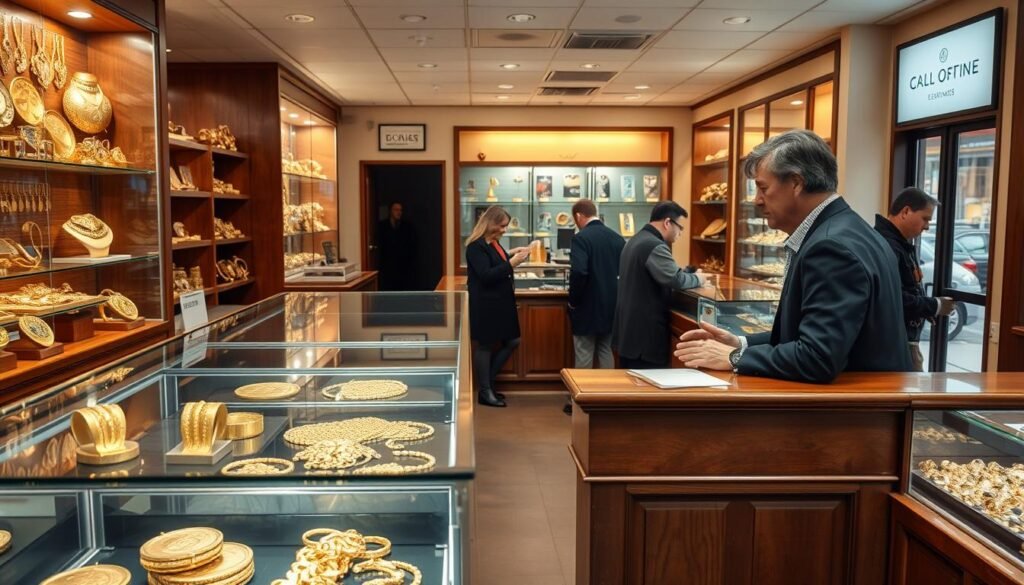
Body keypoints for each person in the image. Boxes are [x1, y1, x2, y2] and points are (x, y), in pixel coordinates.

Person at [675, 129, 912, 382]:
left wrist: (734, 357)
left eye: (763, 188)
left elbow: (817, 357)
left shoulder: (831, 247)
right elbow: (811, 336)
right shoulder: (848, 230)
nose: (757, 200)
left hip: (851, 414)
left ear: (797, 183)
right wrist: (740, 343)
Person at [612, 201, 707, 370]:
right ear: (667, 223)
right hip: (644, 338)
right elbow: (676, 279)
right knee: (646, 390)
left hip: (630, 334)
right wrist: (699, 278)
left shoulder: (636, 240)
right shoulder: (654, 245)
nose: (680, 233)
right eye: (680, 228)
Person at [874, 187, 954, 371]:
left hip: (903, 340)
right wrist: (935, 305)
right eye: (925, 218)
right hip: (893, 345)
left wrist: (924, 309)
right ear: (906, 211)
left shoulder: (901, 245)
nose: (927, 226)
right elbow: (893, 299)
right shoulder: (887, 246)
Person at [465, 206, 530, 407]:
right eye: (502, 226)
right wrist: (512, 263)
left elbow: (494, 262)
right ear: (491, 223)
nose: (504, 230)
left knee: (513, 340)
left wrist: (511, 253)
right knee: (484, 345)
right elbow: (486, 274)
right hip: (486, 305)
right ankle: (485, 390)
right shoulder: (475, 246)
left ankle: (488, 384)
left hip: (500, 303)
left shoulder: (493, 243)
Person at [565, 199, 625, 413]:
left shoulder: (581, 238)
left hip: (586, 305)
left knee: (583, 352)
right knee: (606, 350)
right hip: (612, 305)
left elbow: (579, 272)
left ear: (579, 216)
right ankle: (606, 398)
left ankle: (580, 402)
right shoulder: (617, 238)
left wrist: (573, 300)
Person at [377, 202, 417, 291]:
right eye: (396, 210)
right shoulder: (382, 226)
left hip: (403, 264)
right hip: (387, 265)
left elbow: (411, 246)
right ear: (390, 211)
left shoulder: (407, 226)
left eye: (400, 210)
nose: (399, 212)